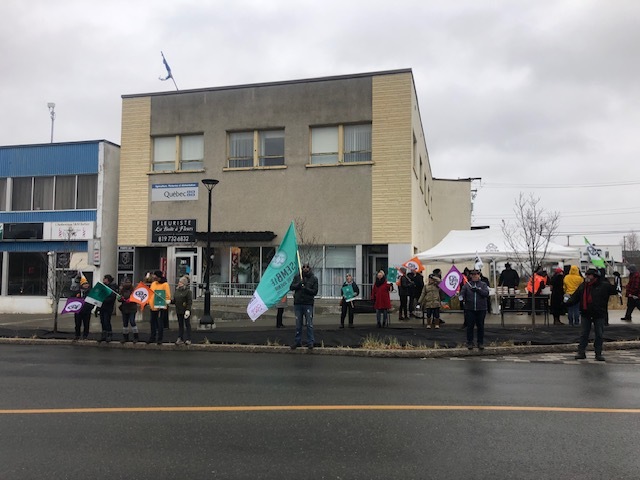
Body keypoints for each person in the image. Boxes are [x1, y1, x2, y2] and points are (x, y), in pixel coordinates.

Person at [566, 268, 618, 361]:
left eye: (589, 275)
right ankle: (581, 352)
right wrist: (565, 304)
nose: (587, 277)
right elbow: (575, 297)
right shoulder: (583, 286)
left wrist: (617, 279)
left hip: (599, 314)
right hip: (586, 313)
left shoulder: (603, 285)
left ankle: (598, 353)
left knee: (599, 334)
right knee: (584, 334)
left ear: (595, 276)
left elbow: (616, 290)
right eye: (586, 275)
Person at [290, 263, 319, 350]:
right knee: (298, 324)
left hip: (308, 303)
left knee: (309, 324)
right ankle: (297, 341)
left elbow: (315, 291)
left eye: (307, 267)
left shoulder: (314, 278)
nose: (305, 268)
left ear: (310, 268)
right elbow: (291, 287)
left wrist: (306, 289)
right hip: (298, 303)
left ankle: (310, 342)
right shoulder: (297, 277)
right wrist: (299, 284)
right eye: (304, 267)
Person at [459, 269, 490, 350]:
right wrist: (461, 297)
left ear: (479, 275)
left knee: (480, 326)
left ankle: (480, 342)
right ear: (470, 276)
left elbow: (486, 294)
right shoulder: (467, 285)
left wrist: (478, 290)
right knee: (470, 326)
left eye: (476, 274)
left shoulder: (483, 284)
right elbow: (462, 293)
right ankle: (470, 342)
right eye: (473, 275)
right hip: (470, 309)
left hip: (481, 309)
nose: (474, 276)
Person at [148, 270, 171, 345]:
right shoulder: (153, 283)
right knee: (152, 322)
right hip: (153, 306)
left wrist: (165, 302)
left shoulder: (165, 284)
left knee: (159, 322)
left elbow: (167, 295)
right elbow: (150, 293)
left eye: (155, 275)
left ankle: (160, 338)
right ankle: (152, 337)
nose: (153, 277)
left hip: (161, 307)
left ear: (158, 276)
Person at [172, 276, 193, 345]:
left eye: (181, 282)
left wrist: (188, 310)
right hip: (179, 310)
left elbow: (189, 302)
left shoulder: (188, 292)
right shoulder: (177, 291)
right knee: (180, 325)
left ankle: (189, 338)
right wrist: (170, 301)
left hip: (185, 311)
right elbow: (175, 300)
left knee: (187, 324)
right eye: (179, 282)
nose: (179, 283)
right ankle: (180, 338)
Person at [118, 277, 139, 343]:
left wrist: (131, 300)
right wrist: (120, 298)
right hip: (124, 308)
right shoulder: (122, 290)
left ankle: (136, 337)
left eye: (128, 282)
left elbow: (137, 299)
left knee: (132, 322)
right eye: (126, 282)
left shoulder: (134, 290)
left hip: (132, 308)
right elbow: (119, 299)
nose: (127, 284)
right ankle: (125, 337)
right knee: (125, 323)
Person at [98, 274, 118, 342]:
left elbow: (112, 298)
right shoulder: (103, 287)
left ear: (108, 280)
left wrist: (103, 300)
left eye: (105, 278)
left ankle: (109, 335)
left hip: (108, 307)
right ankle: (104, 335)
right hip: (102, 307)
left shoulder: (112, 288)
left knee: (107, 321)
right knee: (102, 321)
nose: (103, 280)